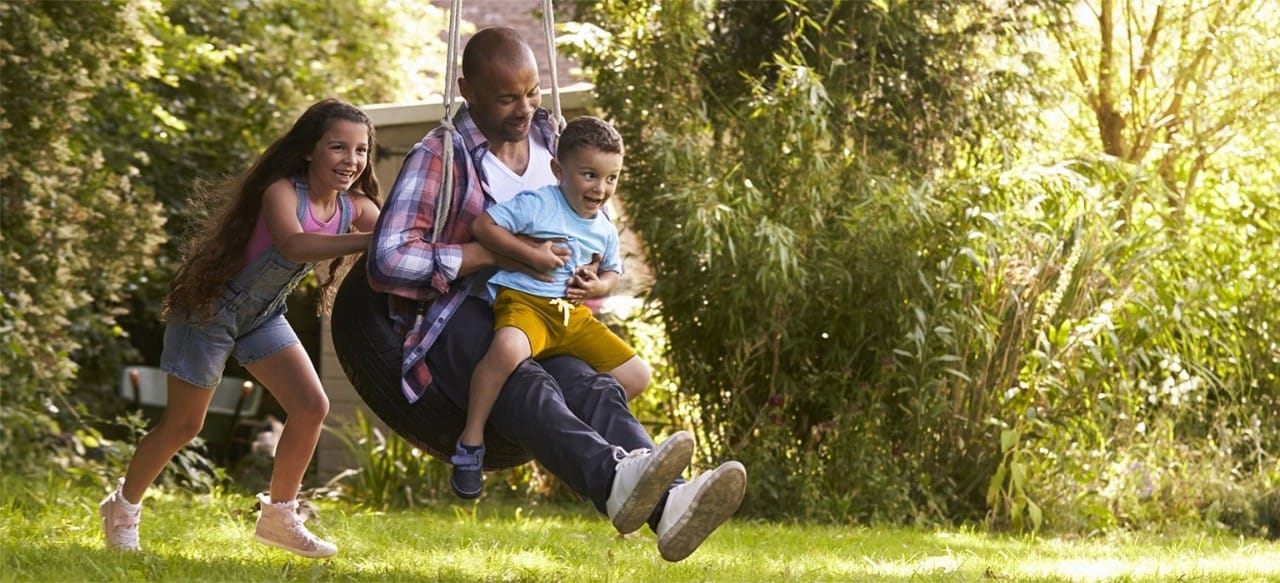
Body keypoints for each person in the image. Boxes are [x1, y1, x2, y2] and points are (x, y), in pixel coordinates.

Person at [367, 26, 747, 562]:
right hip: (462, 312)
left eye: (532, 92)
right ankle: (616, 478)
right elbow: (387, 259)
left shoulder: (554, 138)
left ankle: (672, 505)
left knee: (596, 389)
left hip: (547, 311)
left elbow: (590, 224)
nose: (524, 109)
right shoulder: (442, 155)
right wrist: (498, 254)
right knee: (527, 383)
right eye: (506, 98)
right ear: (466, 89)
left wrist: (591, 275)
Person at [98, 98, 382, 559]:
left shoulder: (356, 208)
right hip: (210, 312)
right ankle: (123, 508)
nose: (351, 161)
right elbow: (294, 244)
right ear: (310, 150)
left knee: (311, 406)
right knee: (184, 425)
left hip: (262, 315)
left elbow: (405, 229)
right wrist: (375, 237)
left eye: (361, 151)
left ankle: (279, 518)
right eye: (338, 147)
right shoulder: (283, 193)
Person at [451, 115, 651, 499]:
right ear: (558, 169)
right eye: (590, 175)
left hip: (570, 315)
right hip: (525, 303)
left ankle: (583, 449)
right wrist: (531, 254)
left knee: (637, 376)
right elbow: (484, 227)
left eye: (612, 178)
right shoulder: (539, 204)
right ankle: (471, 439)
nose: (601, 188)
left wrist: (599, 284)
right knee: (507, 350)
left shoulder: (603, 226)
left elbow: (612, 270)